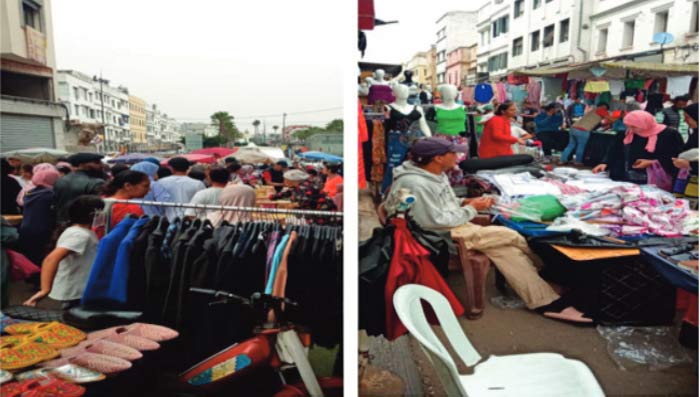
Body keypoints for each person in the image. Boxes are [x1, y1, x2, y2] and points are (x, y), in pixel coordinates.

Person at [383, 137, 591, 323]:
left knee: (507, 251)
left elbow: (444, 203)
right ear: (438, 158)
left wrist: (466, 201)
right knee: (510, 235)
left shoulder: (434, 174)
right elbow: (432, 222)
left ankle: (545, 301)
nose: (458, 156)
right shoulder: (417, 183)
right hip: (438, 235)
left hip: (453, 225)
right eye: (453, 153)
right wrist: (473, 209)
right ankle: (547, 273)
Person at [22, 196, 104, 309]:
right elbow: (51, 259)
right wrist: (45, 289)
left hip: (79, 291)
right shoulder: (80, 235)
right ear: (93, 215)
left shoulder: (81, 231)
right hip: (75, 294)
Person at [593, 110, 684, 183]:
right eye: (629, 126)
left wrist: (652, 162)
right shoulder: (627, 133)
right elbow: (614, 150)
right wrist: (605, 163)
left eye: (634, 126)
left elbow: (676, 157)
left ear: (645, 123)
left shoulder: (669, 134)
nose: (631, 130)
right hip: (625, 177)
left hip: (654, 180)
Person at [18, 168, 61, 267]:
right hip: (43, 231)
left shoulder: (29, 192)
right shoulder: (50, 194)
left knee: (31, 259)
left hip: (26, 228)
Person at [54, 153, 106, 223]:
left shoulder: (60, 181)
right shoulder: (96, 183)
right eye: (97, 162)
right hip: (85, 224)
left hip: (62, 224)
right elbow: (101, 208)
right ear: (82, 165)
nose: (101, 165)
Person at [100, 171, 150, 235]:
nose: (149, 189)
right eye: (145, 186)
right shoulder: (131, 209)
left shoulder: (101, 200)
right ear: (128, 186)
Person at [270, 169, 337, 211]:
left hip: (323, 213)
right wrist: (273, 197)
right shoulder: (297, 186)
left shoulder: (305, 187)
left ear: (293, 180)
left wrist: (292, 205)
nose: (284, 181)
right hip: (315, 213)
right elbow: (287, 193)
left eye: (286, 179)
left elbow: (306, 201)